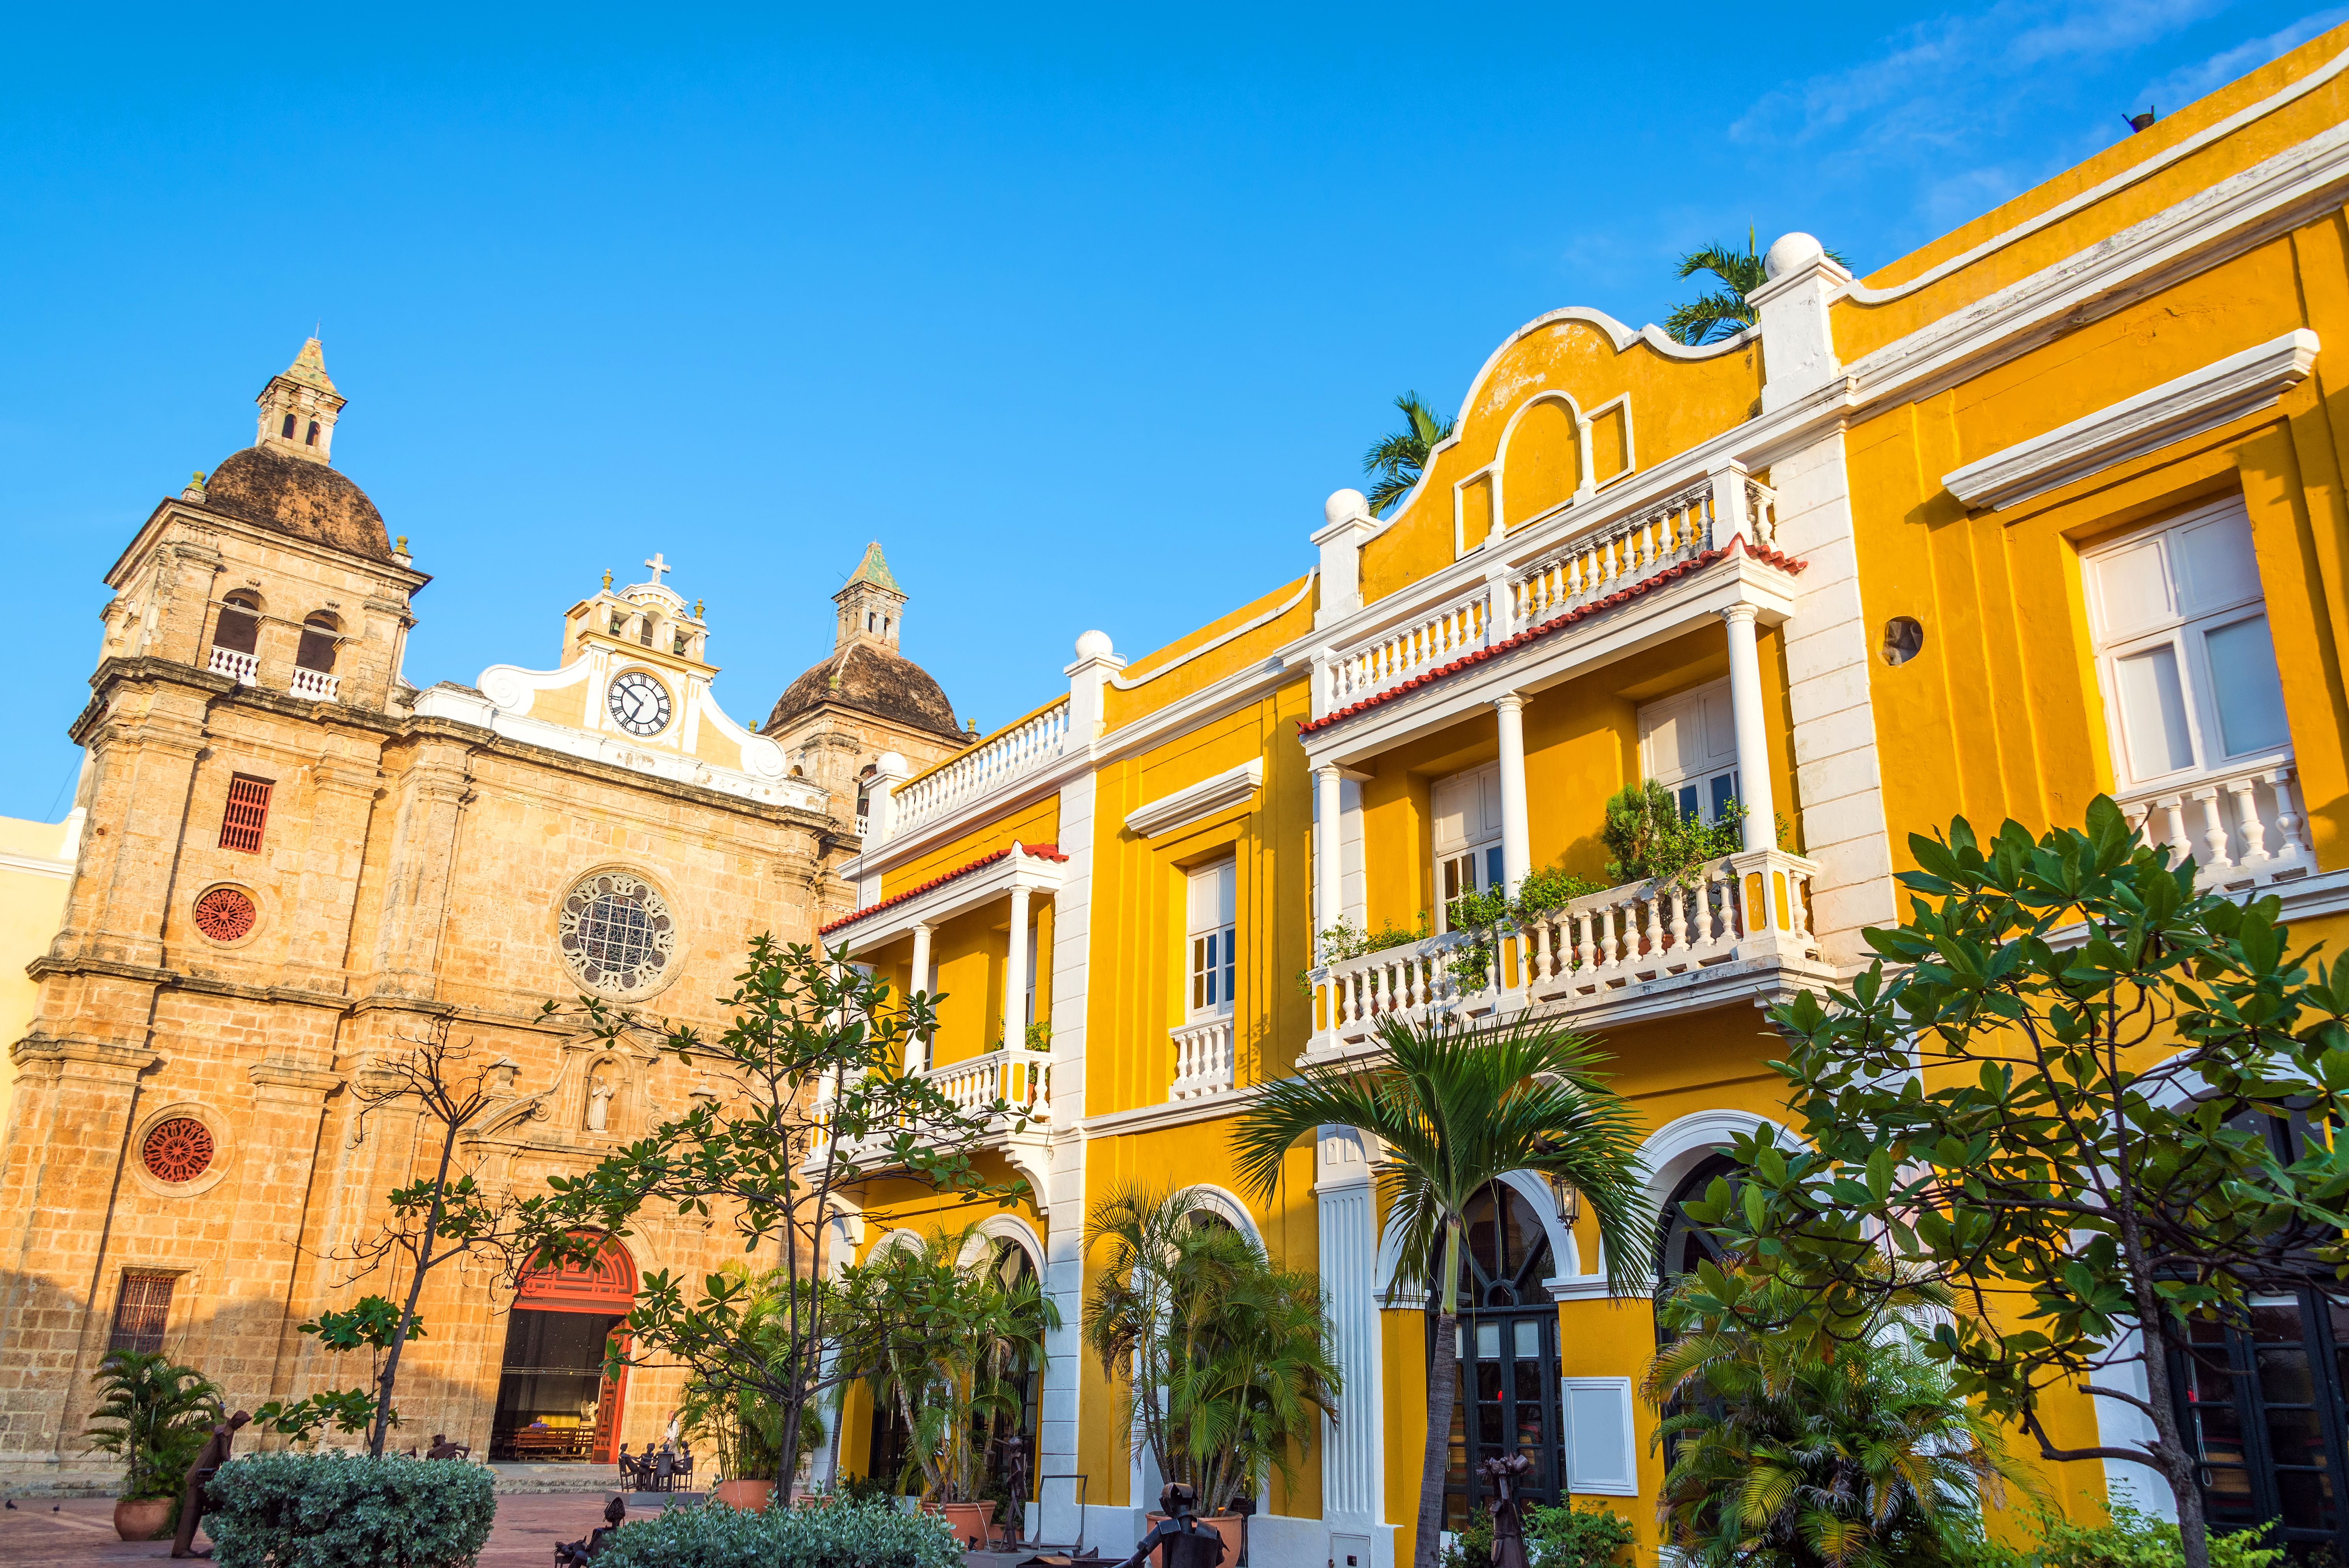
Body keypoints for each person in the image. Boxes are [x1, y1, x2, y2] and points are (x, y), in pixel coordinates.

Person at [170, 1410, 252, 1559]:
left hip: (206, 1475)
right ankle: (180, 1550)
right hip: (200, 1475)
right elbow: (223, 1455)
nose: (241, 1426)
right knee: (191, 1512)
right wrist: (233, 1468)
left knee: (195, 1513)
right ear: (235, 1420)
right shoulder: (224, 1432)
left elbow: (226, 1453)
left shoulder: (228, 1431)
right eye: (241, 1423)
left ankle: (184, 1548)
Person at [1119, 1483, 1224, 1568]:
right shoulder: (1212, 1532)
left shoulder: (1165, 1528)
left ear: (1168, 1504)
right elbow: (1220, 1559)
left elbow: (1134, 1562)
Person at [1478, 1452, 1534, 1568]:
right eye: (1507, 1489)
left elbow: (1513, 1519)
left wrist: (1520, 1528)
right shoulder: (1498, 1505)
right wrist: (1502, 1480)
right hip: (1505, 1544)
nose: (1509, 1491)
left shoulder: (1511, 1505)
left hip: (1515, 1541)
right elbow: (1504, 1500)